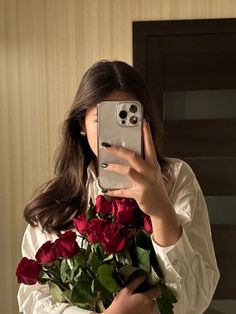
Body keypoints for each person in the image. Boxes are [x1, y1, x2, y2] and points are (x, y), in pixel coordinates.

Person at [17, 60, 220, 314]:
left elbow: (196, 300)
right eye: (100, 120)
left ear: (144, 121)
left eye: (126, 119)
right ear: (81, 124)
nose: (113, 135)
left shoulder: (176, 178)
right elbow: (33, 300)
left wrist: (161, 211)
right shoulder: (56, 200)